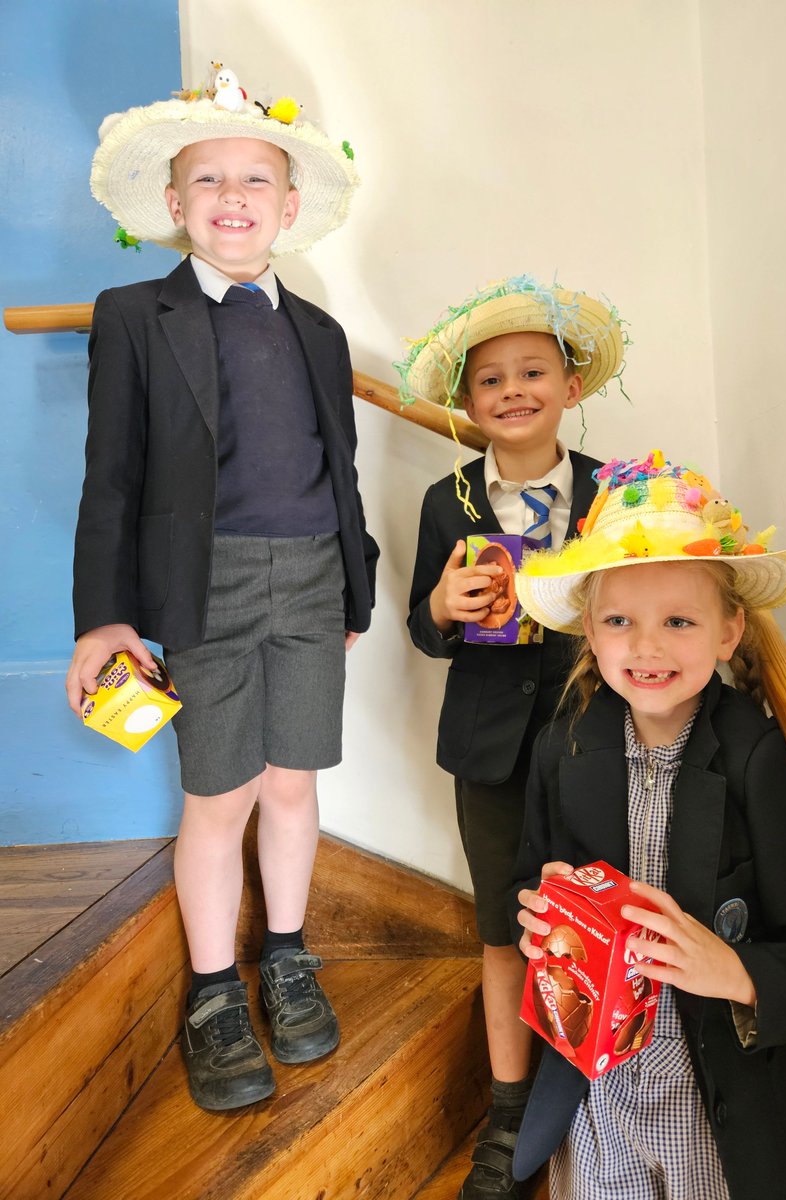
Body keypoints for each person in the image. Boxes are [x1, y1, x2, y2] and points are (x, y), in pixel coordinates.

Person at [64, 66, 379, 1112]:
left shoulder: (321, 331)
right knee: (220, 793)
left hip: (316, 580)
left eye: (255, 179)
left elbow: (341, 464)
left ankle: (285, 956)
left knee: (294, 782)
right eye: (210, 181)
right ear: (175, 203)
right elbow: (111, 473)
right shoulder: (135, 315)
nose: (233, 196)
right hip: (205, 587)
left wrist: (353, 590)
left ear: (289, 208)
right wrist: (105, 616)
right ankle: (211, 991)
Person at [512, 451, 786, 1200]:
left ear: (727, 632)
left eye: (678, 620)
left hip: (722, 1113)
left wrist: (738, 972)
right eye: (620, 621)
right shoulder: (566, 743)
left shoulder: (759, 761)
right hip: (602, 1104)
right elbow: (532, 872)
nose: (646, 647)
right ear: (590, 630)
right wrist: (539, 907)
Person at [401, 277, 626, 1199]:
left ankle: (604, 1086)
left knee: (600, 921)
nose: (513, 390)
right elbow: (422, 626)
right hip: (488, 752)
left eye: (534, 371)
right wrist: (443, 609)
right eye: (490, 380)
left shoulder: (617, 491)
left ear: (572, 386)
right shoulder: (446, 498)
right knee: (504, 930)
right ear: (465, 405)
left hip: (594, 740)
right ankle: (506, 1111)